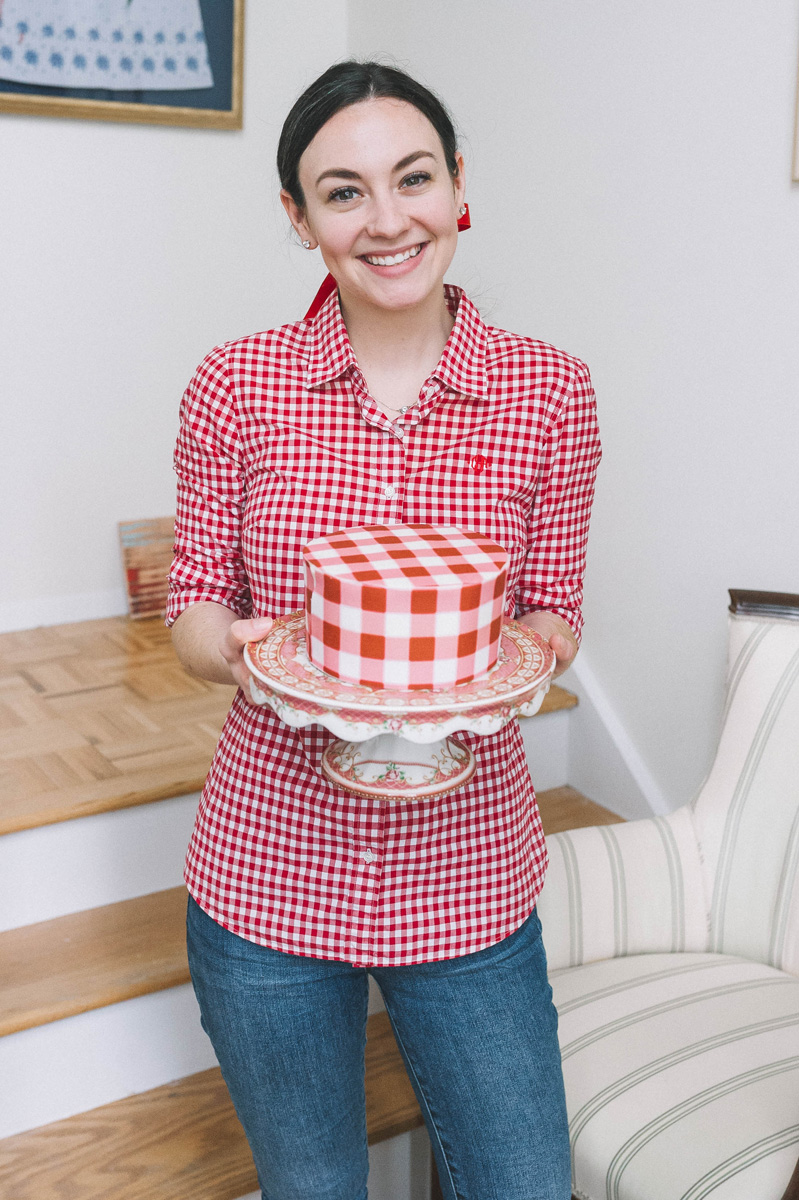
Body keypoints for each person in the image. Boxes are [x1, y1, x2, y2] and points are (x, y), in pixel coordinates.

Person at [168, 60, 601, 1200]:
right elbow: (194, 609)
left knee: (522, 1184)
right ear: (299, 218)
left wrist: (521, 657)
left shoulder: (549, 392)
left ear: (458, 186)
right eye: (343, 190)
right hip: (268, 870)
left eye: (412, 177)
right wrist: (263, 651)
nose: (387, 217)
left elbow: (553, 606)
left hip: (468, 878)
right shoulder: (235, 385)